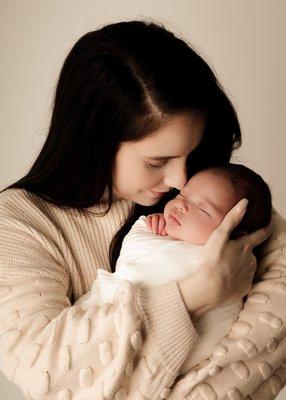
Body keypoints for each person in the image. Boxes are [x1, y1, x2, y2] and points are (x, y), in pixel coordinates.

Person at [0, 20, 285, 400]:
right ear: (94, 140)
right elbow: (49, 376)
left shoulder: (218, 197)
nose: (181, 180)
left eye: (190, 153)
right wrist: (197, 294)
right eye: (157, 162)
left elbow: (261, 354)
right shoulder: (17, 227)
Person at [76, 163, 272, 378]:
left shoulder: (235, 266)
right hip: (105, 329)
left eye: (203, 209)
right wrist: (153, 228)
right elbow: (136, 259)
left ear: (236, 236)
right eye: (182, 194)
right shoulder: (157, 229)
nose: (181, 205)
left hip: (165, 363)